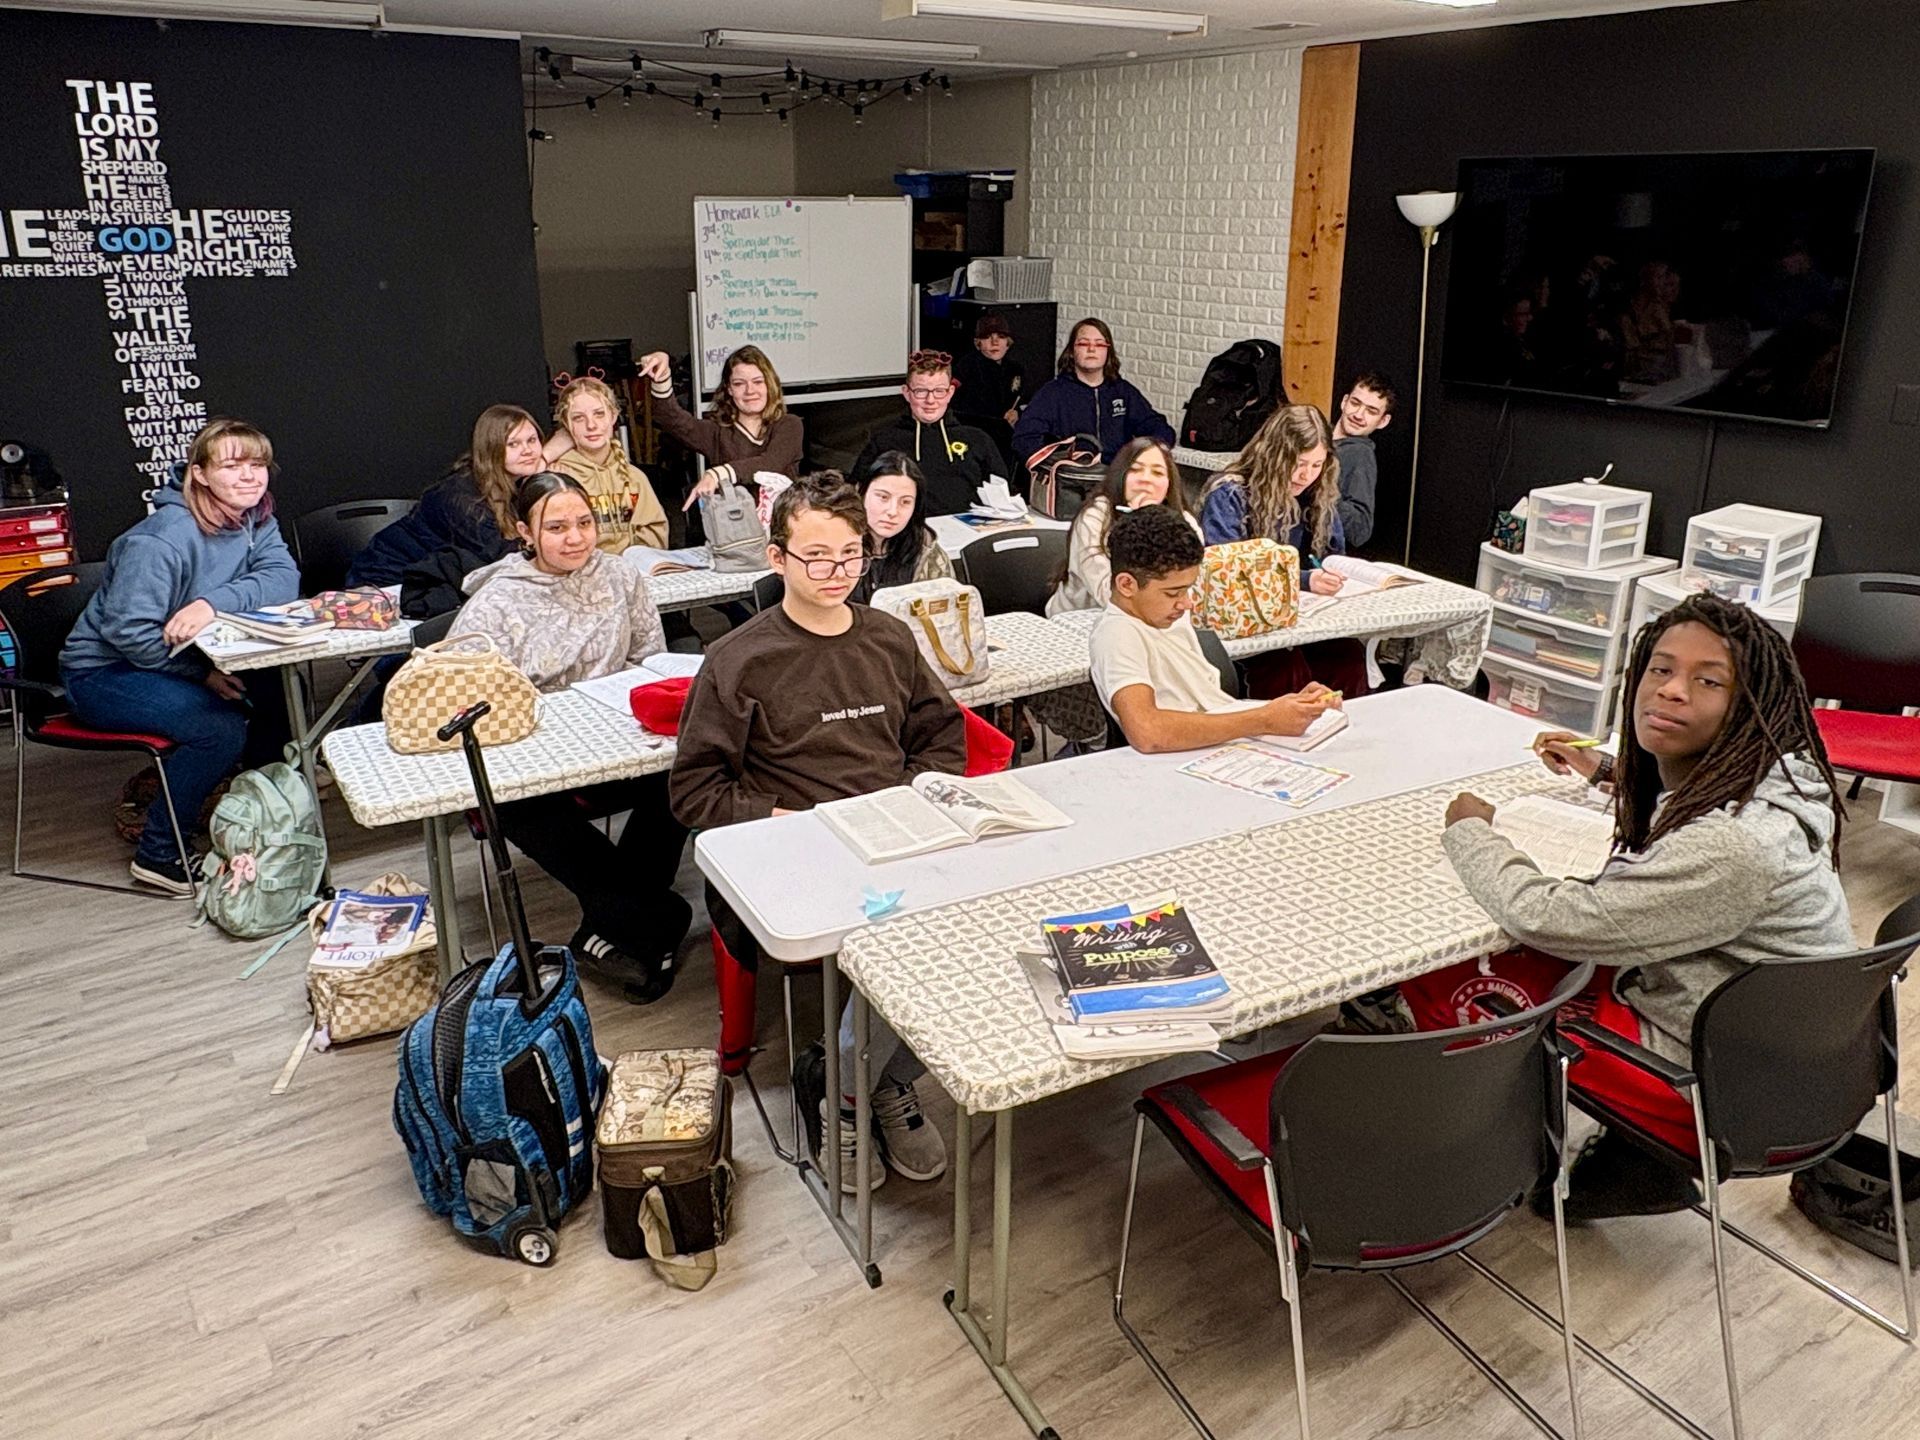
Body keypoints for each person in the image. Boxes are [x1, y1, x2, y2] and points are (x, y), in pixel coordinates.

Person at [1401, 594, 1853, 1220]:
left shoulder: (1734, 846)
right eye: (1660, 669)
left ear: (1749, 707)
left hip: (1721, 1089)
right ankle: (1629, 1158)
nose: (1670, 691)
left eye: (1708, 681)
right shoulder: (1779, 776)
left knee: (1450, 973)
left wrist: (1472, 830)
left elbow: (1549, 917)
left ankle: (1478, 1150)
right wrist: (1612, 773)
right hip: (1777, 1046)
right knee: (1547, 951)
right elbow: (1693, 815)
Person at [672, 475, 967, 1190]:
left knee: (970, 929)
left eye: (851, 556)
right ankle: (842, 1092)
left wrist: (919, 798)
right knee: (894, 943)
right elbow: (694, 790)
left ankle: (862, 1078)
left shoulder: (889, 638)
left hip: (893, 839)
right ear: (777, 561)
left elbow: (940, 738)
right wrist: (789, 822)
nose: (837, 574)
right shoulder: (740, 659)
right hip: (794, 852)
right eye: (816, 558)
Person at [452, 471, 690, 1001]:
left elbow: (648, 657)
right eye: (556, 526)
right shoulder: (497, 602)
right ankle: (656, 917)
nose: (576, 537)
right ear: (525, 532)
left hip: (620, 739)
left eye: (584, 522)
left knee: (685, 775)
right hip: (540, 756)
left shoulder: (622, 577)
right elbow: (469, 694)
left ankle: (612, 925)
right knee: (512, 804)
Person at [59, 418, 299, 895]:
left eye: (259, 464)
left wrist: (211, 604)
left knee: (273, 684)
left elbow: (283, 578)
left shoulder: (255, 518)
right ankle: (159, 856)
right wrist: (202, 675)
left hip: (181, 658)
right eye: (233, 465)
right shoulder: (161, 539)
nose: (251, 476)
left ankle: (257, 815)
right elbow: (128, 633)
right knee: (217, 729)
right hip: (103, 672)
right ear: (200, 474)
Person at [1091, 506, 1339, 753]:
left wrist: (1292, 707)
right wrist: (1265, 719)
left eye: (1188, 589)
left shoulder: (1165, 616)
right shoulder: (1117, 634)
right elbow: (1147, 732)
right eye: (1172, 593)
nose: (1187, 603)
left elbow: (1213, 707)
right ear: (1126, 584)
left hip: (1218, 746)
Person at [346, 404, 540, 587]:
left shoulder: (515, 480)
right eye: (513, 444)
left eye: (532, 440)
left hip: (433, 580)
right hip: (387, 578)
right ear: (490, 449)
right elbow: (504, 559)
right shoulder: (461, 498)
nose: (528, 451)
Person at [635, 344, 804, 511]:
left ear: (769, 384)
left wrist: (717, 474)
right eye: (739, 384)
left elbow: (771, 464)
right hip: (734, 530)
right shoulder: (716, 432)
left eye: (758, 382)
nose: (750, 390)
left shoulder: (789, 425)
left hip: (784, 530)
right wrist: (662, 377)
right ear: (729, 389)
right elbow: (671, 419)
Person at [1045, 437, 1200, 618]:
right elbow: (1112, 596)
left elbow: (1193, 591)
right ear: (1120, 476)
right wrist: (1141, 526)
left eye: (1157, 473)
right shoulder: (1095, 517)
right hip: (1083, 619)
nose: (1146, 479)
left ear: (1170, 483)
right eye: (1135, 470)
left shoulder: (1186, 522)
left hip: (1157, 619)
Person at [850, 350, 1008, 516]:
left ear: (950, 392)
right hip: (907, 533)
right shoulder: (884, 442)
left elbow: (1004, 494)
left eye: (939, 391)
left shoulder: (978, 439)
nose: (930, 400)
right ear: (906, 393)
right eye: (921, 391)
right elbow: (857, 494)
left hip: (969, 532)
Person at [1011, 316, 1175, 466]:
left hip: (1115, 479)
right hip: (1071, 481)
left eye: (1099, 343)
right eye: (1083, 343)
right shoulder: (1053, 393)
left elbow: (1158, 427)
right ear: (1071, 351)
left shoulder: (1123, 392)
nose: (1091, 349)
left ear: (1107, 351)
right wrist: (1062, 461)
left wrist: (1143, 456)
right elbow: (1024, 438)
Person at [544, 374, 669, 554]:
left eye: (599, 414)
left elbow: (656, 534)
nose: (591, 425)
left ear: (613, 416)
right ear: (566, 424)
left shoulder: (635, 477)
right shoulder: (559, 477)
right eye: (579, 418)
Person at [850, 452, 955, 603]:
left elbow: (946, 611)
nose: (893, 511)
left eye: (905, 502)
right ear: (861, 492)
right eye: (883, 497)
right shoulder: (837, 546)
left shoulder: (926, 551)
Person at [1328, 372, 1394, 550]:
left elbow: (1360, 530)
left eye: (1371, 411)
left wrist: (1321, 491)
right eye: (1355, 403)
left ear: (1383, 421)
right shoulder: (1319, 435)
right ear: (1344, 402)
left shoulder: (1359, 455)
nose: (1358, 414)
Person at [949, 311, 1024, 464]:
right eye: (987, 337)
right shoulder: (967, 367)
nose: (994, 343)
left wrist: (1017, 413)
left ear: (1008, 343)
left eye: (1001, 337)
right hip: (974, 434)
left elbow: (1023, 398)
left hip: (1005, 436)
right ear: (978, 343)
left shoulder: (1015, 369)